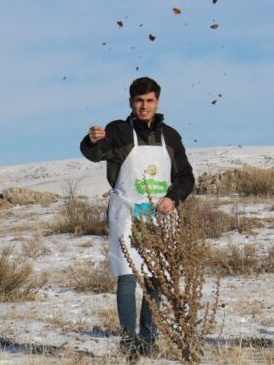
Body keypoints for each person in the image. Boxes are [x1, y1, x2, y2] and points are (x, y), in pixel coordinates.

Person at [80, 77, 195, 360]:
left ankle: (148, 338)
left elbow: (185, 176)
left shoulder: (171, 136)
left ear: (158, 102)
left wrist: (173, 198)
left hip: (159, 214)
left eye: (150, 101)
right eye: (139, 101)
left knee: (156, 277)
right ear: (131, 102)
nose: (144, 106)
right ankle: (129, 341)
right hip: (127, 212)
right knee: (127, 275)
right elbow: (96, 153)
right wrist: (91, 141)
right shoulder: (119, 131)